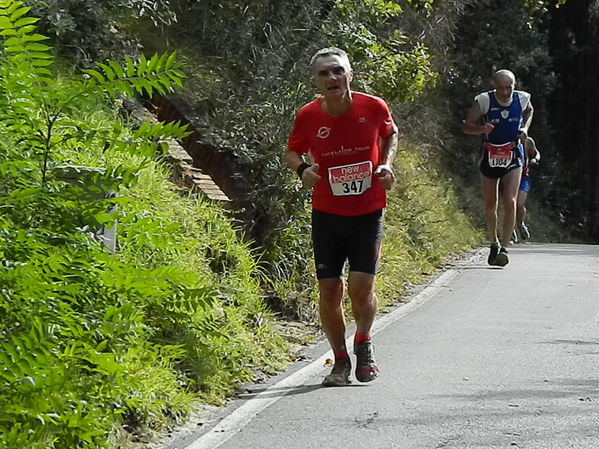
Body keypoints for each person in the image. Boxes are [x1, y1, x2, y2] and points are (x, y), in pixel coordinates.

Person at [284, 47, 398, 386]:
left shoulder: (373, 107)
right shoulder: (308, 116)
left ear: (350, 75)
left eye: (337, 71)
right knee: (330, 291)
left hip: (368, 211)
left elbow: (391, 132)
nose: (332, 78)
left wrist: (387, 164)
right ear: (317, 82)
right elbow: (292, 151)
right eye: (324, 74)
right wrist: (303, 169)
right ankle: (340, 360)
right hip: (327, 214)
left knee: (361, 288)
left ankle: (363, 340)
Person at [463, 69, 533, 266]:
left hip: (513, 154)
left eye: (508, 88)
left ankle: (504, 247)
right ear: (494, 87)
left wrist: (525, 128)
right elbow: (467, 126)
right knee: (491, 203)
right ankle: (493, 242)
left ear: (515, 85)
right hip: (491, 154)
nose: (504, 93)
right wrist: (481, 129)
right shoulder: (484, 101)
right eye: (500, 88)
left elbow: (529, 110)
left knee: (510, 201)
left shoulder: (522, 99)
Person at [514, 135, 541, 241]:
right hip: (508, 175)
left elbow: (536, 153)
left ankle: (520, 224)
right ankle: (510, 230)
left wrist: (535, 159)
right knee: (510, 203)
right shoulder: (506, 138)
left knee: (519, 204)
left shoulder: (528, 141)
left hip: (524, 176)